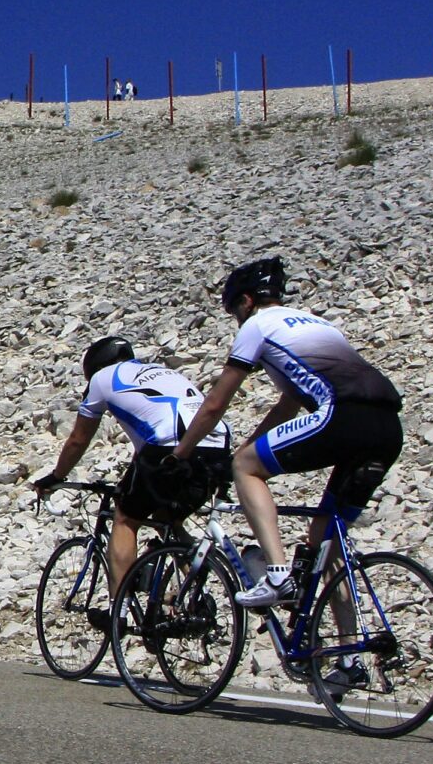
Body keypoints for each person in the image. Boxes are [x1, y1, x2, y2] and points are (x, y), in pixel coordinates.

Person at [172, 257, 403, 608]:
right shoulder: (319, 324)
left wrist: (181, 454)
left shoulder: (257, 325)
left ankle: (278, 575)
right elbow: (287, 408)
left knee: (246, 468)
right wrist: (246, 447)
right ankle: (347, 642)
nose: (236, 318)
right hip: (388, 427)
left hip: (342, 414)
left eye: (234, 311)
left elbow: (215, 404)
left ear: (247, 301)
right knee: (326, 544)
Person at [32, 337, 231, 610]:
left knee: (125, 518)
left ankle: (119, 610)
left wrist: (56, 476)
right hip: (217, 446)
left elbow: (79, 439)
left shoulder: (102, 378)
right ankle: (196, 589)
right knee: (166, 517)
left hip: (169, 446)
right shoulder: (162, 371)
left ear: (94, 367)